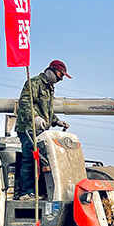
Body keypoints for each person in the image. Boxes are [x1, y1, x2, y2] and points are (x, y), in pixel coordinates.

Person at [14, 60, 72, 200]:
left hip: (40, 131)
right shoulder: (34, 83)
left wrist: (56, 120)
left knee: (43, 161)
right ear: (51, 70)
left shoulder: (49, 88)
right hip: (28, 128)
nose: (61, 78)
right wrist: (35, 117)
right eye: (60, 74)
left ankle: (38, 191)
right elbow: (25, 102)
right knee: (30, 159)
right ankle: (25, 193)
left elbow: (47, 110)